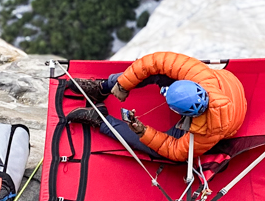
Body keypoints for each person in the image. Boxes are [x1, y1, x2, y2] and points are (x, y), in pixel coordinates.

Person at [66, 52, 247, 162]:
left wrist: (142, 132)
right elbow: (155, 62)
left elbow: (175, 151)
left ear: (184, 117)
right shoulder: (199, 74)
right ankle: (103, 88)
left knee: (159, 150)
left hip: (232, 118)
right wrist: (123, 84)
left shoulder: (207, 132)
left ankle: (101, 119)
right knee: (156, 72)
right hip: (229, 83)